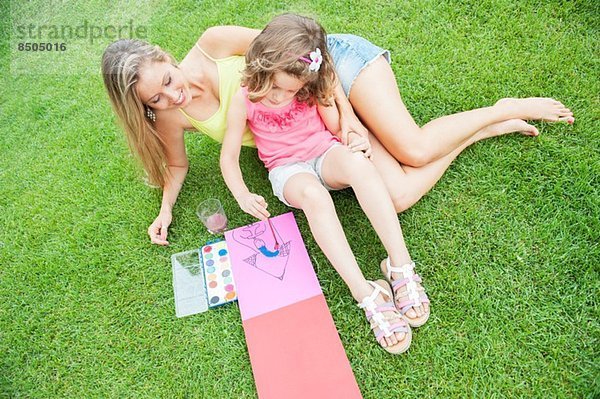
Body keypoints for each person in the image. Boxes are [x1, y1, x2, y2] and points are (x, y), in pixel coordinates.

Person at [101, 14, 573, 246]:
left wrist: (346, 116)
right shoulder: (171, 115)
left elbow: (306, 56)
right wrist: (165, 209)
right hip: (308, 113)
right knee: (400, 196)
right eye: (155, 100)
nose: (172, 97)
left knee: (413, 147)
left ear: (165, 56)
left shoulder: (214, 44)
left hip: (332, 71)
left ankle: (501, 108)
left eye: (166, 80)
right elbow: (178, 165)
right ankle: (475, 133)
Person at [221, 14, 429, 353]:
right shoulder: (244, 98)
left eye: (291, 90)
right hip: (289, 171)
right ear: (262, 66)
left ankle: (399, 264)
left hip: (323, 152)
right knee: (315, 197)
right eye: (276, 86)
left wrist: (350, 134)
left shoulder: (311, 85)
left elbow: (334, 118)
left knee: (359, 165)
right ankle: (366, 292)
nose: (280, 96)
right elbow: (228, 157)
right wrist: (242, 194)